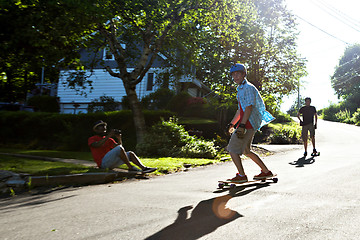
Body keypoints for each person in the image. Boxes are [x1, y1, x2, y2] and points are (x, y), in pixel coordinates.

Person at [226, 63, 275, 183]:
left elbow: (248, 108)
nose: (235, 77)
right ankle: (265, 171)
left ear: (244, 74)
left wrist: (241, 126)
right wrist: (232, 124)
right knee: (246, 151)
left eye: (238, 74)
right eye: (233, 75)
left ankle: (242, 176)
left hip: (248, 123)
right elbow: (240, 110)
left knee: (232, 149)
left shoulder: (248, 88)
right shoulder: (241, 90)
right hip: (246, 123)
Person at [88, 120, 157, 173]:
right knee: (119, 148)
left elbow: (120, 148)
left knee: (130, 153)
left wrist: (119, 138)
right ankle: (130, 167)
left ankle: (144, 168)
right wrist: (108, 136)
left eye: (104, 126)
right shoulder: (92, 138)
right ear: (96, 130)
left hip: (111, 163)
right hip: (103, 164)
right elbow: (97, 145)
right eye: (101, 126)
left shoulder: (109, 140)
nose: (104, 127)